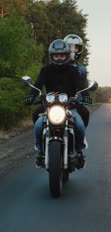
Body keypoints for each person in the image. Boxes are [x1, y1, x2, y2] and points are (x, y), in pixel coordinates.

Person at [24, 39, 92, 168]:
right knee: (38, 124)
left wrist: (86, 96)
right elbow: (37, 86)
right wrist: (30, 96)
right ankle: (40, 150)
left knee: (80, 124)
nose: (59, 58)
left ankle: (79, 149)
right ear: (51, 56)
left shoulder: (73, 71)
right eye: (56, 55)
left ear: (67, 56)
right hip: (50, 106)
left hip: (69, 105)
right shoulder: (45, 70)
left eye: (62, 55)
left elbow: (81, 85)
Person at [64, 34, 91, 128]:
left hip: (74, 103)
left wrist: (84, 97)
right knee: (38, 117)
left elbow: (83, 87)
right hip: (56, 102)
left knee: (84, 116)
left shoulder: (82, 69)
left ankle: (81, 140)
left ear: (79, 50)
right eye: (69, 47)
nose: (72, 50)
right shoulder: (56, 66)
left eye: (75, 48)